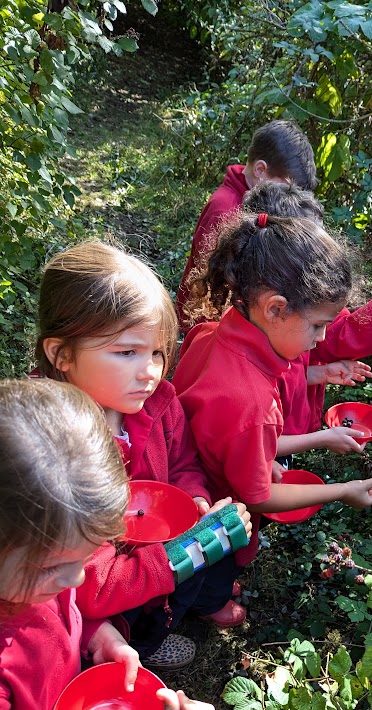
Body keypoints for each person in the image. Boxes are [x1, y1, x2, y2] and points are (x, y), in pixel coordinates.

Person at [0, 378, 218, 710]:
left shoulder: (28, 565)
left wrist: (97, 631)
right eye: (57, 568)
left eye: (86, 558)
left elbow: (63, 601)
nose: (77, 581)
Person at [35, 242, 253, 671]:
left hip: (159, 555)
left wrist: (195, 501)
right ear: (61, 354)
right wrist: (192, 546)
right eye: (126, 352)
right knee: (127, 618)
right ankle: (136, 646)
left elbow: (185, 464)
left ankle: (156, 632)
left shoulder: (159, 402)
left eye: (156, 351)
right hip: (102, 590)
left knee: (171, 595)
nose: (150, 371)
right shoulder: (52, 452)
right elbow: (92, 586)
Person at [172, 213, 372, 568]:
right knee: (210, 579)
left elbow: (226, 436)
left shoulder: (212, 332)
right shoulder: (253, 402)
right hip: (209, 516)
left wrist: (313, 439)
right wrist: (343, 491)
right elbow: (258, 497)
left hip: (188, 476)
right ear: (275, 308)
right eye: (318, 325)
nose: (320, 339)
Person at [241, 181, 372, 459]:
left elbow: (339, 337)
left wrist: (320, 373)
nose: (320, 335)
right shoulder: (248, 344)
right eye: (314, 251)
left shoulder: (294, 311)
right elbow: (255, 442)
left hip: (284, 438)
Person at [176, 119, 318, 330]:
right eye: (285, 188)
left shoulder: (251, 202)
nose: (289, 197)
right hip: (208, 327)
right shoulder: (226, 210)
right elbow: (213, 288)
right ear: (260, 169)